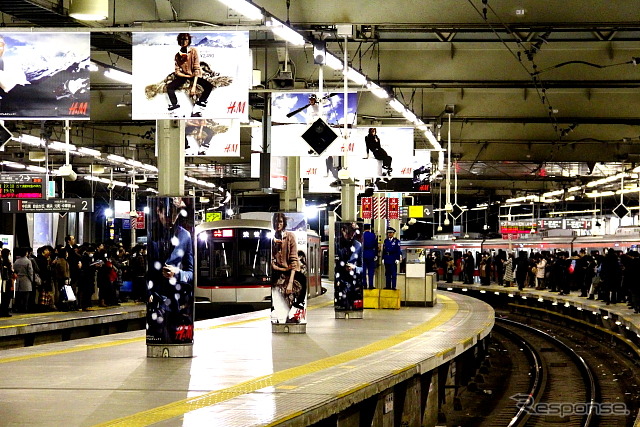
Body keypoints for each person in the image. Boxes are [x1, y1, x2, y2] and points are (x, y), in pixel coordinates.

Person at [147, 197, 194, 343]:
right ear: (158, 211)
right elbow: (146, 271)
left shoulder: (185, 236)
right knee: (159, 337)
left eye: (175, 215)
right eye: (167, 215)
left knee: (174, 337)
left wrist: (178, 273)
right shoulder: (150, 235)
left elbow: (191, 273)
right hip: (156, 300)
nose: (171, 219)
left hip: (177, 301)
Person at [166, 33, 213, 116]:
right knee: (169, 87)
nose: (184, 41)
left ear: (189, 41)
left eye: (186, 39)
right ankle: (176, 109)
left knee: (209, 86)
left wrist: (194, 86)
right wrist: (187, 76)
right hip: (184, 76)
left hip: (195, 75)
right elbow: (177, 71)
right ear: (179, 41)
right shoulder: (177, 55)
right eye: (182, 39)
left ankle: (198, 108)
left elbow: (196, 68)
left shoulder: (193, 51)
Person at [271, 213, 306, 323]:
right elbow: (271, 263)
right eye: (276, 222)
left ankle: (297, 305)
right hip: (277, 270)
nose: (278, 224)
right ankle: (274, 311)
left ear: (284, 223)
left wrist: (290, 282)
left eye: (280, 222)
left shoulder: (290, 236)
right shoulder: (270, 239)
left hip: (290, 270)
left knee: (303, 280)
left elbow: (294, 260)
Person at [334, 222, 363, 310]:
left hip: (353, 283)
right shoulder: (336, 244)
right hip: (340, 283)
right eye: (349, 231)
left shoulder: (358, 246)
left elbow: (362, 267)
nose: (351, 234)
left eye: (353, 232)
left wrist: (355, 268)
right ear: (343, 230)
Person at [0, 35, 29, 113]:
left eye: (0, 45)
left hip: (8, 109)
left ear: (4, 47)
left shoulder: (14, 67)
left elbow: (8, 87)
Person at [13, 247, 33, 313]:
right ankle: (24, 309)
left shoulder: (16, 261)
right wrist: (32, 280)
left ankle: (18, 308)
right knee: (26, 296)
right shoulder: (28, 261)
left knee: (18, 296)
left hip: (18, 280)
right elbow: (30, 272)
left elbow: (14, 270)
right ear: (26, 253)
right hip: (26, 280)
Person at [362, 224, 378, 289]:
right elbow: (376, 245)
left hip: (363, 254)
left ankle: (364, 285)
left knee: (363, 271)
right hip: (371, 253)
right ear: (369, 228)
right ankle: (371, 285)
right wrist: (376, 254)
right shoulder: (373, 235)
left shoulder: (361, 235)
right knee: (371, 271)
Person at [1, 247, 14, 317]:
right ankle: (5, 311)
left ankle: (3, 311)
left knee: (4, 297)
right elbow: (9, 273)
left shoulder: (2, 262)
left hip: (4, 282)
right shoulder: (6, 262)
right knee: (7, 297)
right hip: (7, 282)